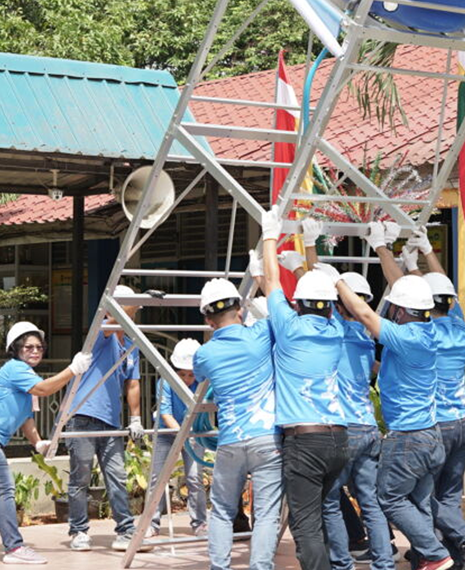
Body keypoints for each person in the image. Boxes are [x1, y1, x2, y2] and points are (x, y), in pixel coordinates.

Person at [335, 260, 452, 570]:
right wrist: (385, 251)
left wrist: (334, 280)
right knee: (419, 503)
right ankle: (425, 561)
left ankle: (436, 553)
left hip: (408, 439)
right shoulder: (427, 332)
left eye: (392, 308)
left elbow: (363, 314)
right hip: (429, 437)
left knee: (389, 498)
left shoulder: (407, 337)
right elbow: (383, 368)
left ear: (400, 311)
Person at [0, 321, 92, 565]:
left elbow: (27, 419)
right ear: (16, 349)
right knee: (4, 489)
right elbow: (44, 389)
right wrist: (73, 369)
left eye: (39, 347)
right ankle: (14, 549)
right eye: (28, 347)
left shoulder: (25, 378)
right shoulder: (16, 369)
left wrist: (38, 443)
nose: (35, 351)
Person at [261, 211, 349, 570]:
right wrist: (308, 251)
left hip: (305, 441)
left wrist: (269, 236)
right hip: (337, 440)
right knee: (325, 514)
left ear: (297, 304)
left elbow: (270, 282)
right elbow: (316, 294)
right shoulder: (336, 330)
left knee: (306, 525)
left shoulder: (290, 327)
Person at [409, 228, 465, 570]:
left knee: (420, 495)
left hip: (438, 424)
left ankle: (460, 540)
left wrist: (390, 255)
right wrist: (425, 254)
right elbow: (441, 292)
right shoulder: (460, 329)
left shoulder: (425, 333)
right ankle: (454, 552)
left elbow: (420, 299)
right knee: (449, 494)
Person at [193, 275, 284, 570]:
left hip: (231, 440)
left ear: (208, 320)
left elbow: (198, 373)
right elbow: (277, 317)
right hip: (268, 439)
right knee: (267, 513)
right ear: (240, 308)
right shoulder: (261, 334)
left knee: (221, 510)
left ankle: (220, 567)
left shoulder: (204, 354)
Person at [321, 269, 394, 570]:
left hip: (344, 429)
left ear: (340, 305)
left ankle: (342, 565)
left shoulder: (336, 331)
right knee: (370, 501)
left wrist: (310, 255)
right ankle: (384, 562)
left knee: (329, 500)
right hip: (368, 428)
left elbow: (324, 294)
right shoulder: (366, 338)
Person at [65, 285, 145, 552]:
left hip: (111, 421)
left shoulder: (132, 344)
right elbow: (112, 322)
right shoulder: (102, 332)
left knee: (117, 476)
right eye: (128, 309)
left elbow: (132, 384)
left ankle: (126, 530)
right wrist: (124, 306)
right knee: (81, 477)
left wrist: (135, 418)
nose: (132, 316)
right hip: (84, 415)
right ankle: (78, 531)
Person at [146, 338, 208, 538]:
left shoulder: (203, 384)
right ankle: (151, 524)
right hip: (167, 433)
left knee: (194, 477)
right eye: (182, 374)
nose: (187, 379)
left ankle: (200, 523)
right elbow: (166, 414)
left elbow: (205, 411)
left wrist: (191, 435)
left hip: (194, 434)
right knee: (158, 478)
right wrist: (183, 434)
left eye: (191, 374)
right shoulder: (165, 382)